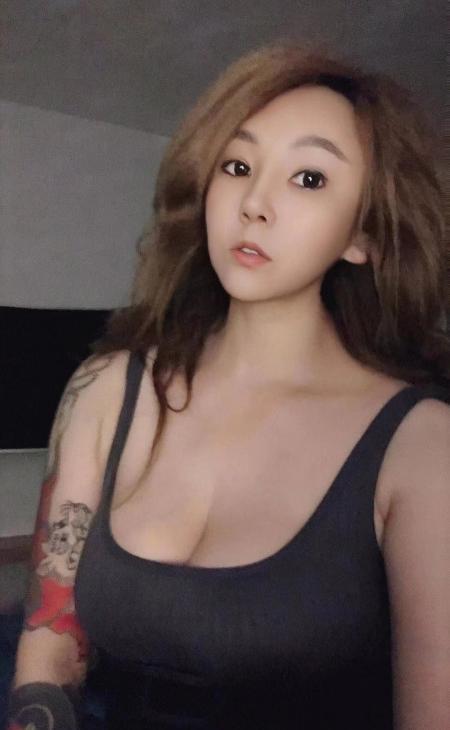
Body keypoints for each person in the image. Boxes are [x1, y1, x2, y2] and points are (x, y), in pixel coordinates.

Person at [7, 41, 450, 730]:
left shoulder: (421, 445)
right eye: (237, 166)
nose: (254, 204)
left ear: (362, 235)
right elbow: (50, 642)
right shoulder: (107, 387)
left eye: (309, 179)